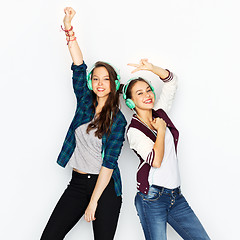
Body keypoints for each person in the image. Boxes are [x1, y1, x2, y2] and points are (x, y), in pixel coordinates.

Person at [40, 7, 126, 240]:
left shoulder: (117, 120)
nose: (100, 83)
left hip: (105, 189)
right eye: (96, 78)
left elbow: (109, 165)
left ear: (114, 83)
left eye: (106, 79)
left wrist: (93, 202)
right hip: (78, 183)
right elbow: (79, 66)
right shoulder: (85, 104)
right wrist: (68, 28)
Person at [123, 59, 210, 239]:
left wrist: (153, 69)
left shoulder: (159, 112)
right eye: (139, 93)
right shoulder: (134, 131)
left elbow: (172, 82)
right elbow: (156, 160)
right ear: (131, 102)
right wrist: (161, 130)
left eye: (148, 90)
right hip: (152, 199)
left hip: (176, 197)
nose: (147, 95)